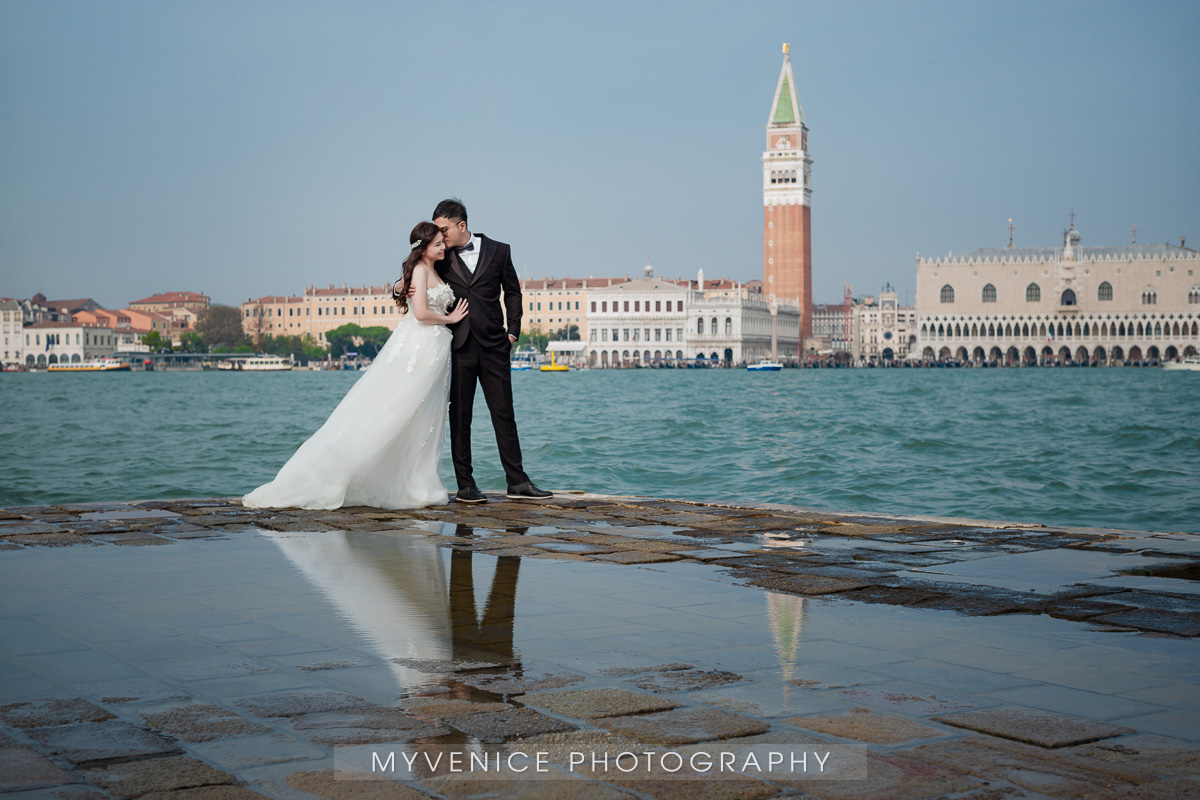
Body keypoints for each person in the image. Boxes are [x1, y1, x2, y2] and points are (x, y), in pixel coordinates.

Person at [242, 221, 468, 510]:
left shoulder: (433, 268)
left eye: (442, 242)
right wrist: (450, 318)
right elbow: (422, 313)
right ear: (423, 248)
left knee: (423, 416)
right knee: (399, 408)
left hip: (434, 348)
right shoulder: (421, 271)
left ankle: (413, 481)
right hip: (419, 346)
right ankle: (363, 468)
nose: (443, 246)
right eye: (437, 243)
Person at [430, 198, 551, 503]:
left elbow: (512, 292)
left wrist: (512, 332)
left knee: (504, 414)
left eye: (444, 229)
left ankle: (518, 482)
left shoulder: (500, 250)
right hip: (458, 347)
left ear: (462, 225)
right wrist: (397, 287)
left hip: (495, 346)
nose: (440, 235)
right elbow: (413, 273)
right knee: (460, 417)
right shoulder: (440, 255)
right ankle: (466, 485)